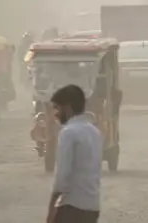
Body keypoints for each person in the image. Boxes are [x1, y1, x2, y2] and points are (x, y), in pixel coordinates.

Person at [47, 85, 102, 223]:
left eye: (57, 108)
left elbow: (62, 176)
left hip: (72, 207)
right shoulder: (94, 132)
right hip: (92, 206)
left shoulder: (68, 133)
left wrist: (51, 208)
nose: (56, 114)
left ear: (68, 108)